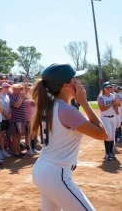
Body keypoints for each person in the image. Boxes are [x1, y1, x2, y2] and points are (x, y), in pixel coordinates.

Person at [32, 63, 107, 211]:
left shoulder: (49, 105)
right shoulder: (67, 110)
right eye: (75, 79)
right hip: (56, 174)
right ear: (65, 85)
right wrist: (84, 102)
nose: (79, 82)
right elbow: (102, 134)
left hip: (43, 170)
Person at [97, 81, 120, 161]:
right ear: (103, 88)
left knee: (113, 135)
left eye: (110, 87)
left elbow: (119, 105)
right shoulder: (101, 98)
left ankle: (111, 152)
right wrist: (112, 104)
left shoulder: (113, 96)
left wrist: (116, 104)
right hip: (105, 118)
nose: (109, 88)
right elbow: (102, 108)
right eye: (107, 87)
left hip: (113, 117)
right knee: (108, 135)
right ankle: (107, 153)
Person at [0, 82, 11, 158]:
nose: (7, 89)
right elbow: (1, 108)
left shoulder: (7, 96)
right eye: (5, 87)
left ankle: (2, 150)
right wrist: (7, 115)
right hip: (1, 119)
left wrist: (9, 115)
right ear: (2, 88)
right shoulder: (0, 96)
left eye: (8, 87)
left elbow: (8, 107)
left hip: (6, 118)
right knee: (0, 135)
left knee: (3, 135)